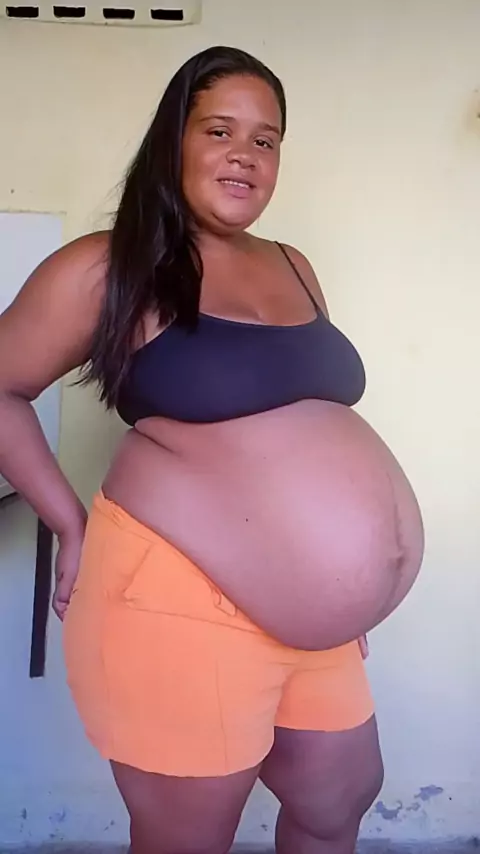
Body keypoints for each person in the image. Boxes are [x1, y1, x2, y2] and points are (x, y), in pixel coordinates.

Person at [0, 45, 424, 854]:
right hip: (177, 598)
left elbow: (306, 419)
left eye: (266, 140)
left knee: (337, 800)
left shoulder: (294, 266)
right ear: (175, 141)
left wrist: (338, 593)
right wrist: (68, 523)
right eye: (219, 130)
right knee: (188, 839)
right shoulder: (107, 267)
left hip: (314, 629)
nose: (245, 155)